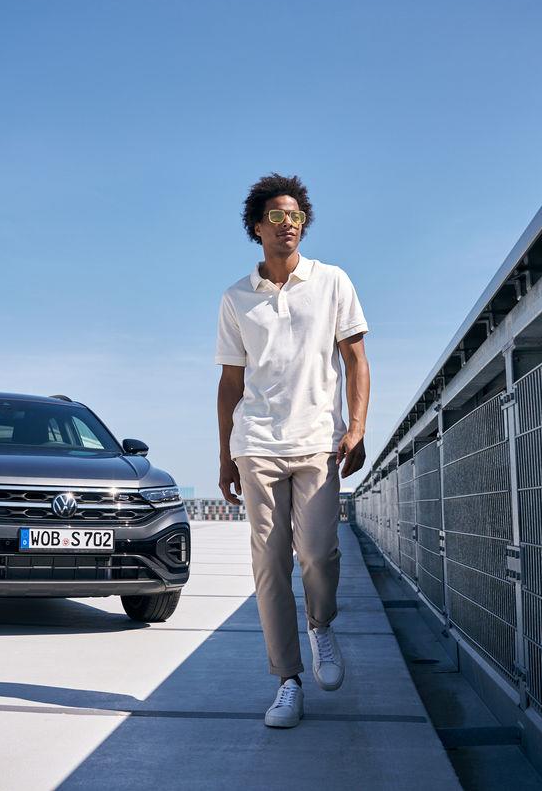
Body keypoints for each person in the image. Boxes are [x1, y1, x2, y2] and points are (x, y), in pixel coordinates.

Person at [215, 172, 370, 729]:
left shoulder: (332, 282)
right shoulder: (236, 299)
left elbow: (355, 360)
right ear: (257, 227)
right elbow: (231, 384)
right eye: (276, 217)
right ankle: (287, 680)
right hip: (256, 443)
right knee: (268, 564)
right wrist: (225, 455)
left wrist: (356, 426)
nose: (288, 226)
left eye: (296, 217)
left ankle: (321, 625)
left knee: (318, 552)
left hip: (317, 443)